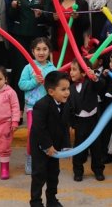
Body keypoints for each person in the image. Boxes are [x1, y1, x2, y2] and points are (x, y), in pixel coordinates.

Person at [9, 0, 52, 111]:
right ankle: (19, 108)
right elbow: (11, 15)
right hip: (20, 36)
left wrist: (42, 15)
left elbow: (51, 17)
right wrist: (13, 6)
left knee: (38, 71)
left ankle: (40, 105)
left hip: (37, 38)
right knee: (20, 71)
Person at [29, 71, 71, 207]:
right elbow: (39, 129)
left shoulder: (65, 104)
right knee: (39, 174)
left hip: (56, 147)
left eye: (68, 89)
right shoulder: (41, 105)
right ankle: (35, 201)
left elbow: (65, 126)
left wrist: (66, 146)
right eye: (63, 89)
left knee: (54, 174)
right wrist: (47, 146)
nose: (67, 92)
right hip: (41, 147)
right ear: (51, 91)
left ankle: (52, 199)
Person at [18, 37, 57, 175]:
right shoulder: (28, 67)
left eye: (45, 49)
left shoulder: (53, 68)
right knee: (33, 134)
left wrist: (47, 84)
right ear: (32, 51)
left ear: (49, 51)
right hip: (32, 107)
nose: (41, 52)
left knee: (48, 133)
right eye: (38, 49)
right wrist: (34, 81)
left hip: (48, 107)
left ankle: (46, 158)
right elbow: (22, 85)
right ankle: (31, 157)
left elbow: (56, 88)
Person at [69, 57, 106, 182]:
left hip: (93, 121)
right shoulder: (69, 88)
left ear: (84, 72)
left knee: (96, 148)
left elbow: (101, 85)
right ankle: (78, 171)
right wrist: (71, 124)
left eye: (74, 70)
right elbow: (69, 108)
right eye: (70, 69)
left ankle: (98, 170)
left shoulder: (90, 83)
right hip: (79, 122)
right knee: (79, 147)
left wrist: (94, 78)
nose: (71, 72)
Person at [51, 0, 90, 66]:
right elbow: (48, 20)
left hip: (74, 44)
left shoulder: (82, 4)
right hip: (58, 44)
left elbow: (86, 24)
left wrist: (78, 17)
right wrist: (53, 18)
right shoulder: (55, 3)